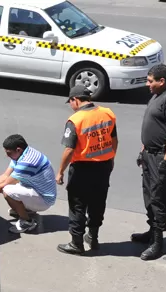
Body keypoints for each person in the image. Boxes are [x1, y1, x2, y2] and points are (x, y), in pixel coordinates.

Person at [56, 84, 118, 255]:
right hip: (103, 167)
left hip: (82, 169)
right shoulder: (107, 113)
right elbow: (114, 140)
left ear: (75, 100)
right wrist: (111, 159)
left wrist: (60, 171)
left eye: (70, 102)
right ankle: (93, 237)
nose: (71, 105)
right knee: (98, 203)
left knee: (77, 206)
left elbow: (69, 150)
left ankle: (77, 243)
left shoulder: (75, 120)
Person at [135, 64, 166, 260]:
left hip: (161, 157)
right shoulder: (158, 95)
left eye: (150, 81)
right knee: (149, 195)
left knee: (159, 198)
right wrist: (143, 150)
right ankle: (151, 232)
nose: (147, 84)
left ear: (161, 81)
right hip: (150, 155)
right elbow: (153, 126)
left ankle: (157, 242)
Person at [0, 134, 57, 234]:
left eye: (9, 153)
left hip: (43, 199)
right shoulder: (22, 153)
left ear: (18, 149)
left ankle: (27, 222)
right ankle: (24, 209)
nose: (7, 156)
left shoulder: (27, 162)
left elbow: (4, 184)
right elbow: (5, 176)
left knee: (7, 191)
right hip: (33, 188)